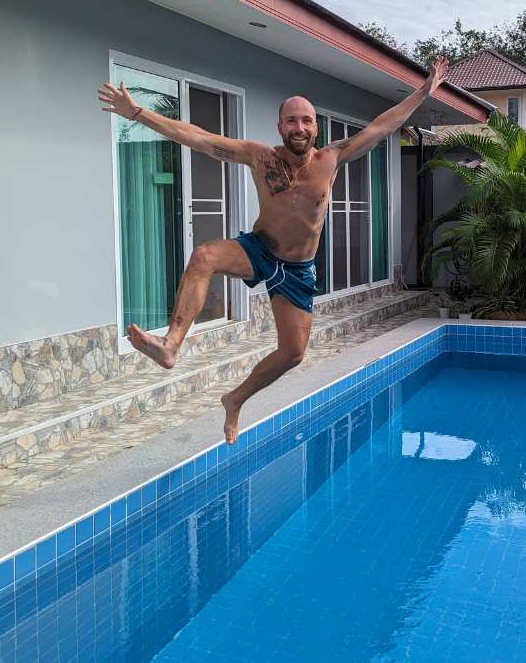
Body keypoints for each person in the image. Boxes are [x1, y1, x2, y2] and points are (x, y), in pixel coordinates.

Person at [97, 57, 449, 444]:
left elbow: (384, 126)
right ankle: (171, 345)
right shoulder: (259, 156)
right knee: (204, 256)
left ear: (317, 127)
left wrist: (424, 91)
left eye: (306, 121)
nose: (299, 127)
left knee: (293, 352)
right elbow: (198, 137)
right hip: (259, 250)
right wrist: (138, 113)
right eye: (291, 121)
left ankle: (235, 399)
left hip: (298, 269)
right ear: (279, 126)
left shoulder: (330, 159)